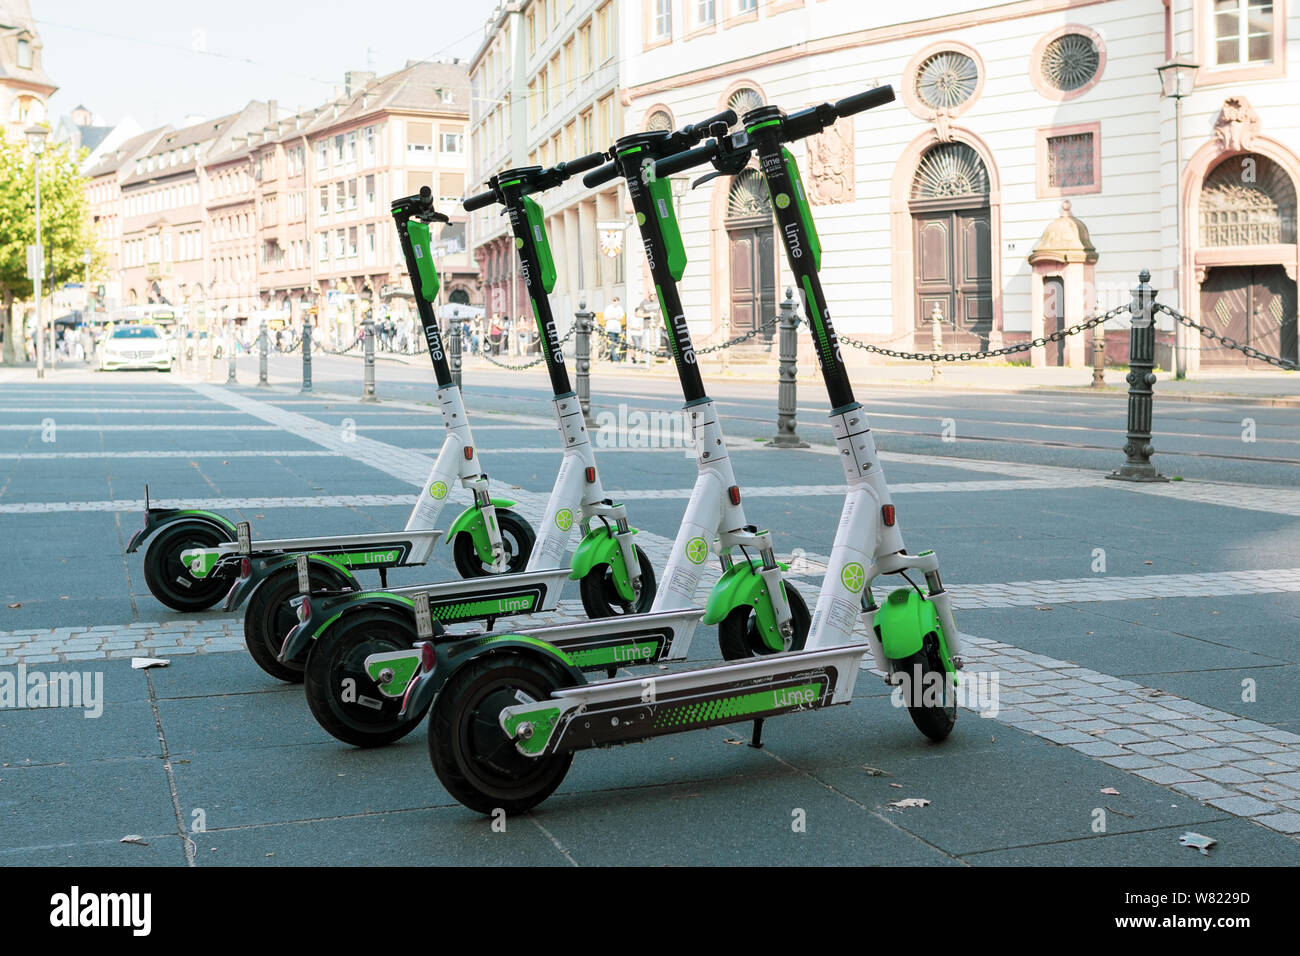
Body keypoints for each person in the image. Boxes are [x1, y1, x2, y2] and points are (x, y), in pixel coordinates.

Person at [604, 296, 625, 362]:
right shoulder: (608, 308)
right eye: (616, 302)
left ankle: (613, 357)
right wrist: (614, 317)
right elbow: (605, 317)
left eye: (618, 303)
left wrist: (617, 317)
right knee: (612, 344)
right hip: (610, 329)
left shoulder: (620, 308)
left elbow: (621, 316)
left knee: (617, 344)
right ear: (613, 301)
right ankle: (615, 358)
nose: (617, 304)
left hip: (617, 329)